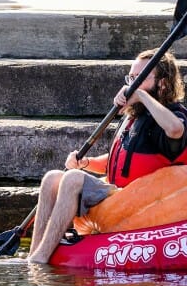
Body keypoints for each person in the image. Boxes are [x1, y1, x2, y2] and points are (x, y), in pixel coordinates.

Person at [28, 48, 187, 264]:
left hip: (137, 204)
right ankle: (35, 254)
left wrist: (140, 95)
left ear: (163, 83)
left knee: (73, 179)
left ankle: (42, 258)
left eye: (139, 78)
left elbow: (176, 130)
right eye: (131, 78)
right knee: (52, 178)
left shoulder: (171, 114)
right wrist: (86, 163)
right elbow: (120, 162)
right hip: (116, 196)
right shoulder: (134, 116)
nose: (131, 84)